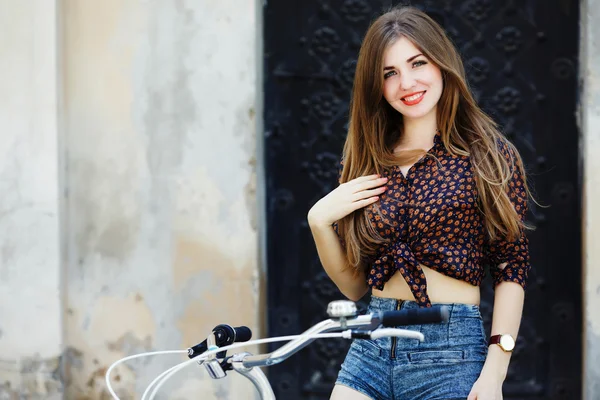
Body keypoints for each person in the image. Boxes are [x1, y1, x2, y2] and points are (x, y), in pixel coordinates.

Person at [307, 6, 532, 400]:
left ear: (441, 63)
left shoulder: (488, 157)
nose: (405, 82)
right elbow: (355, 286)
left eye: (417, 63)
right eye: (389, 73)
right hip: (370, 348)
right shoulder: (365, 160)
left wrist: (495, 371)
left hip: (450, 354)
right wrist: (318, 221)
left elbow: (511, 267)